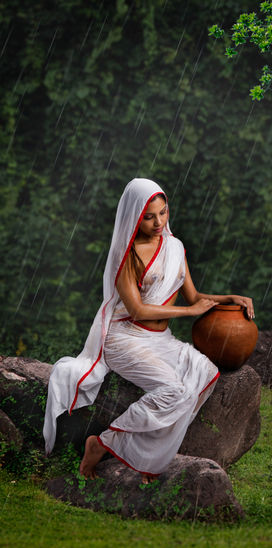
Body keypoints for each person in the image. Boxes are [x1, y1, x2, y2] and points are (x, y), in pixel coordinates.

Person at [43, 178, 254, 483]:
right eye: (149, 217)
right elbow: (138, 310)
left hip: (160, 340)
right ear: (134, 216)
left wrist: (229, 298)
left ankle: (148, 458)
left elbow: (194, 296)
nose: (158, 223)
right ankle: (102, 443)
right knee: (175, 391)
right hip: (124, 339)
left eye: (163, 213)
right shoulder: (126, 254)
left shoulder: (175, 247)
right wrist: (189, 312)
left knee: (205, 373)